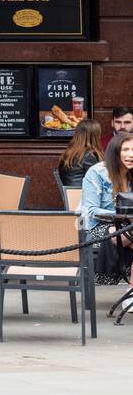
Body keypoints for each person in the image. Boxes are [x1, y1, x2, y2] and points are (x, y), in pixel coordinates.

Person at [80, 131, 133, 287]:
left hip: (125, 227)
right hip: (95, 229)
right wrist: (123, 216)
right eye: (126, 150)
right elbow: (91, 211)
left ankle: (131, 293)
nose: (131, 155)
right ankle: (131, 293)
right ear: (115, 152)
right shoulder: (97, 172)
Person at [58, 119, 104, 189]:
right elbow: (99, 182)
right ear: (95, 136)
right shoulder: (89, 156)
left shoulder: (70, 153)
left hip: (73, 196)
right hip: (83, 196)